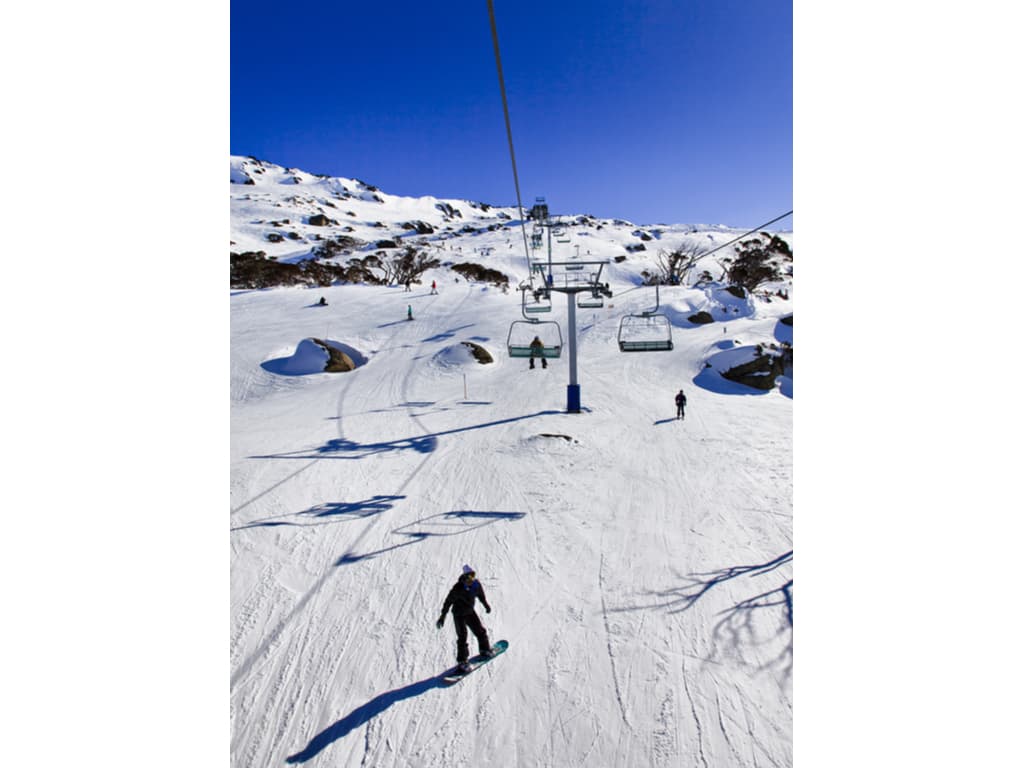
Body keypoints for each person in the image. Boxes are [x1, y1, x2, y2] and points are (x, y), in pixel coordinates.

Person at [436, 565, 493, 672]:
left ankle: (484, 649)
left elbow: (481, 596)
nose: (469, 583)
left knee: (480, 631)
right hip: (459, 614)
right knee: (462, 637)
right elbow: (448, 602)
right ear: (464, 578)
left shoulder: (476, 585)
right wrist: (442, 616)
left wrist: (486, 605)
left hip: (470, 611)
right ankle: (462, 661)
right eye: (468, 581)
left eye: (471, 581)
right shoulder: (457, 588)